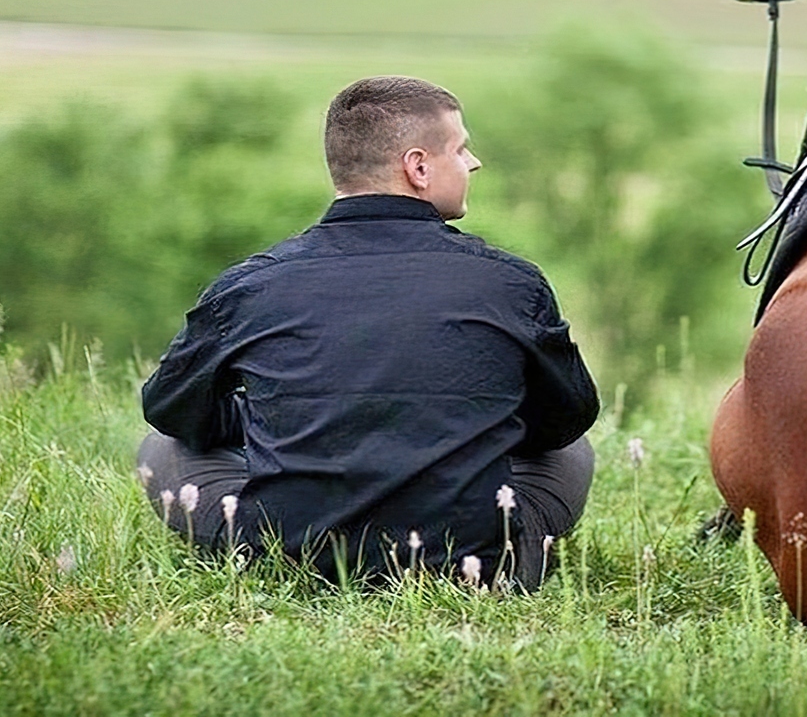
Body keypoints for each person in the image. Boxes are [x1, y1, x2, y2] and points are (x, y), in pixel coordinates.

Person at [136, 76, 598, 588]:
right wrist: (467, 421)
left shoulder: (249, 284)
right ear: (418, 167)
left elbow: (171, 410)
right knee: (571, 453)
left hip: (288, 557)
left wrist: (278, 417)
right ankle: (505, 553)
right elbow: (565, 422)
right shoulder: (512, 281)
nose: (473, 163)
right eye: (462, 148)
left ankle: (268, 557)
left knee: (164, 447)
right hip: (475, 566)